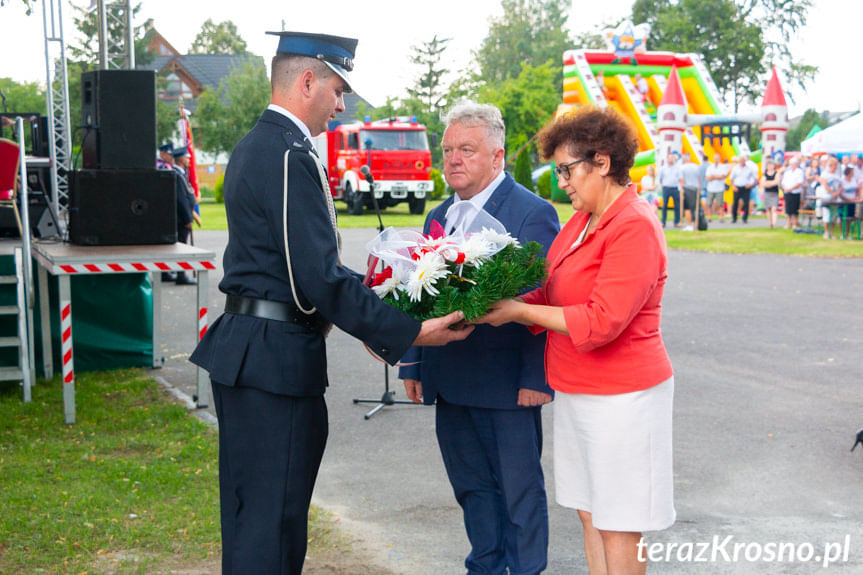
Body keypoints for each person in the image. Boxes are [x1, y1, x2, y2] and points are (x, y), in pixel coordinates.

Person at [189, 32, 473, 575]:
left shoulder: (258, 145)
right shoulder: (290, 154)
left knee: (254, 519)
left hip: (253, 355)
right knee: (273, 527)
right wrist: (409, 330)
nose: (341, 107)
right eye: (338, 90)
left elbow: (308, 269)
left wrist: (378, 317)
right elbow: (317, 278)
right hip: (275, 363)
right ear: (307, 81)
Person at [476, 105, 675, 575]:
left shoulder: (634, 224)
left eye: (566, 169)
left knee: (620, 522)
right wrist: (484, 292)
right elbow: (551, 287)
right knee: (590, 511)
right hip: (579, 389)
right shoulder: (580, 220)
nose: (560, 181)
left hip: (624, 397)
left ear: (602, 162)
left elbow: (604, 319)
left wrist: (520, 311)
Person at [398, 101, 560, 575]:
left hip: (508, 385)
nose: (452, 159)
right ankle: (484, 567)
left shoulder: (533, 213)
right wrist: (413, 362)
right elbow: (417, 293)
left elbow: (544, 295)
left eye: (466, 149)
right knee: (471, 488)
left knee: (519, 491)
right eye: (448, 149)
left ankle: (526, 569)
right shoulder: (437, 216)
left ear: (498, 156)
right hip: (449, 381)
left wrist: (537, 377)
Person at [170, 147, 200, 285]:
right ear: (181, 159)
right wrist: (188, 218)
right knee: (181, 248)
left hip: (183, 218)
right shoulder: (176, 174)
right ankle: (181, 275)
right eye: (187, 157)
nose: (189, 160)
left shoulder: (180, 174)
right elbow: (181, 199)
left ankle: (179, 273)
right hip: (182, 220)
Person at [729, 155, 757, 223]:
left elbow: (755, 178)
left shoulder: (749, 168)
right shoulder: (735, 168)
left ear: (745, 160)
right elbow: (731, 178)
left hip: (746, 187)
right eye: (741, 160)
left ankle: (745, 218)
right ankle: (734, 218)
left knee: (746, 203)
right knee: (735, 203)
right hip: (737, 187)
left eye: (743, 160)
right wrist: (733, 186)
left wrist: (751, 184)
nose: (742, 161)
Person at [780, 156, 805, 229]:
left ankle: (795, 222)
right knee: (788, 208)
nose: (792, 166)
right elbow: (783, 182)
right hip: (787, 192)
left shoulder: (799, 171)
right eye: (791, 164)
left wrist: (791, 188)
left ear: (796, 164)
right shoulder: (787, 172)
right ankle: (788, 222)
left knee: (795, 208)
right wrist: (785, 188)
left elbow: (800, 182)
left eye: (793, 164)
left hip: (795, 192)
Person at [658, 152, 682, 228]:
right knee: (664, 206)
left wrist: (680, 188)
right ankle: (663, 222)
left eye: (672, 158)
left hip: (675, 188)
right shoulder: (663, 168)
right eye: (670, 157)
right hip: (666, 188)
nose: (671, 159)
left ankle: (677, 222)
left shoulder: (677, 168)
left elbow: (680, 179)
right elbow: (660, 178)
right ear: (667, 159)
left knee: (677, 206)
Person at [679, 152, 701, 231]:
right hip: (695, 188)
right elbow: (699, 178)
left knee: (687, 208)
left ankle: (689, 225)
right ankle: (696, 224)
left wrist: (681, 191)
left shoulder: (682, 168)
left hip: (687, 188)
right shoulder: (696, 166)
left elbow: (682, 180)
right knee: (695, 207)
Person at [705, 153, 728, 223]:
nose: (716, 160)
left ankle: (721, 217)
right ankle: (709, 217)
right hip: (711, 188)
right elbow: (708, 178)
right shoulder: (710, 167)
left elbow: (723, 176)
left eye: (717, 158)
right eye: (715, 158)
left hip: (719, 188)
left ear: (719, 159)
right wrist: (717, 176)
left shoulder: (723, 167)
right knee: (709, 203)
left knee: (720, 204)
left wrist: (713, 177)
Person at [759, 158, 782, 229]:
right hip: (767, 193)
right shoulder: (765, 174)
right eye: (768, 165)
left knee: (774, 208)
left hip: (774, 193)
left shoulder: (777, 173)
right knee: (768, 209)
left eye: (771, 164)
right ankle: (770, 223)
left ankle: (775, 224)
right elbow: (762, 183)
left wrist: (768, 183)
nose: (770, 166)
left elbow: (776, 182)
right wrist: (770, 183)